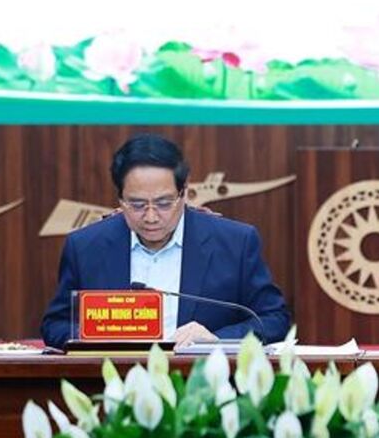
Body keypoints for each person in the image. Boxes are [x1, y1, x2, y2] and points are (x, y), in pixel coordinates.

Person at [41, 133, 290, 349]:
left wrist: (216, 339)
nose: (151, 217)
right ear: (120, 200)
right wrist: (96, 337)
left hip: (200, 380)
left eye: (163, 203)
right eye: (137, 204)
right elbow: (55, 325)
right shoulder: (86, 247)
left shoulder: (235, 243)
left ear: (183, 193)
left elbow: (274, 319)